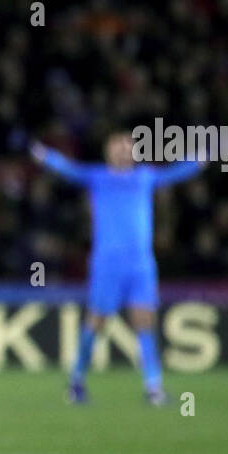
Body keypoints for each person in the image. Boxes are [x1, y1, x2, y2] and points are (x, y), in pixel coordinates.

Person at [31, 128, 205, 405]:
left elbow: (174, 173)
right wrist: (45, 156)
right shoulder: (97, 177)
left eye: (129, 146)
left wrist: (199, 159)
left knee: (144, 322)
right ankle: (76, 382)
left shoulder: (145, 177)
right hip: (107, 265)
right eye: (118, 146)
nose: (124, 150)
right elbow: (69, 170)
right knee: (96, 322)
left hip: (141, 265)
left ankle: (153, 387)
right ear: (108, 152)